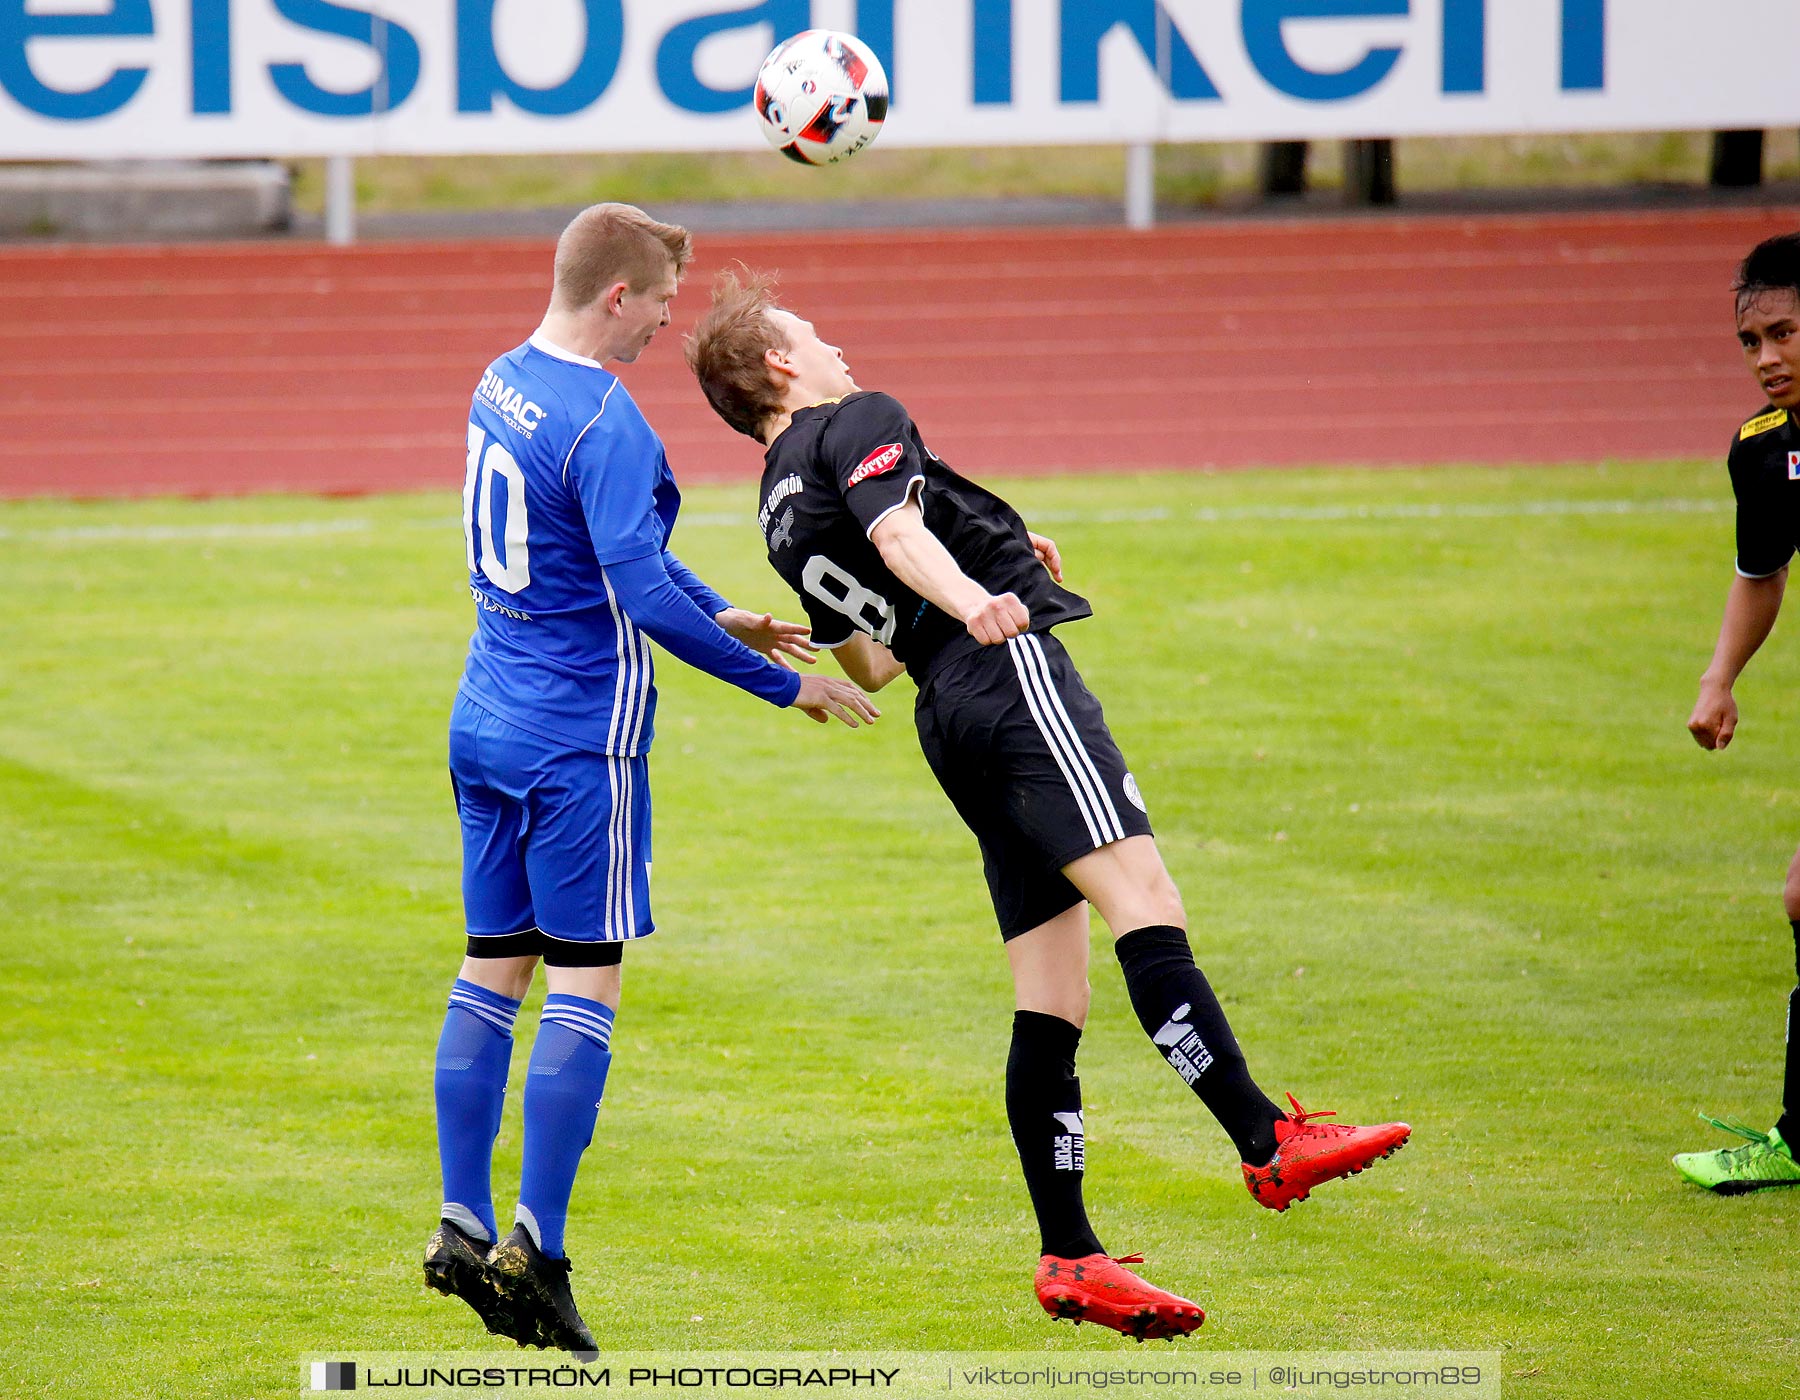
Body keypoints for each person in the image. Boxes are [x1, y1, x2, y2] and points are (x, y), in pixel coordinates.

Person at [684, 270, 1410, 1339]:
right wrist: (982, 597)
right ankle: (1265, 1137)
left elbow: (875, 663)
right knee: (1144, 894)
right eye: (814, 332)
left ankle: (1071, 1253)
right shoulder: (857, 419)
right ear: (781, 363)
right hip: (1006, 676)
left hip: (947, 715)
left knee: (1051, 995)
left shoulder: (775, 502)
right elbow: (895, 532)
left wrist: (992, 558)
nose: (835, 345)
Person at [423, 208, 880, 1354]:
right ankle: (540, 1246)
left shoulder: (502, 380)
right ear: (616, 294)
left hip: (483, 717)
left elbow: (602, 547)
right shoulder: (609, 421)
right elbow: (636, 591)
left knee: (491, 970)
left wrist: (725, 609)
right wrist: (786, 686)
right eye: (663, 298)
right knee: (587, 983)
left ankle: (460, 1221)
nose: (672, 318)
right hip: (578, 740)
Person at [1679, 230, 1800, 1194]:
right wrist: (1720, 679)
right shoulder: (1764, 453)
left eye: (1787, 333)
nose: (1768, 358)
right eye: (1752, 341)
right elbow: (1760, 576)